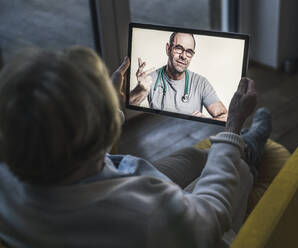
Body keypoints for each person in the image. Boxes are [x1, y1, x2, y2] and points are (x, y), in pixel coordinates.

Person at [0, 46, 272, 248]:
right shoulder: (144, 214)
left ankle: (242, 147)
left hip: (111, 184)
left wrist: (111, 111)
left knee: (194, 156)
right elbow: (209, 218)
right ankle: (249, 152)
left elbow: (64, 152)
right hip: (173, 226)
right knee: (240, 171)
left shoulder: (14, 174)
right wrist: (232, 125)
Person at [129, 32, 228, 121]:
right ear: (168, 49)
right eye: (179, 48)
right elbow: (127, 109)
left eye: (189, 52)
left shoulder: (200, 83)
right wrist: (139, 91)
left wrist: (205, 120)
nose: (183, 56)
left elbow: (225, 116)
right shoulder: (149, 80)